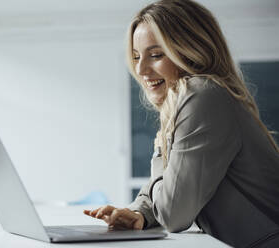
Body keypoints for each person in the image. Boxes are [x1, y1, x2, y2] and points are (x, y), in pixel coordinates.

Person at [83, 0, 279, 247]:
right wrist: (139, 214)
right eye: (135, 57)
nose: (141, 69)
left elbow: (173, 213)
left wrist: (161, 151)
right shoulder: (194, 100)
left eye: (155, 55)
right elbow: (172, 187)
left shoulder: (202, 95)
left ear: (191, 50)